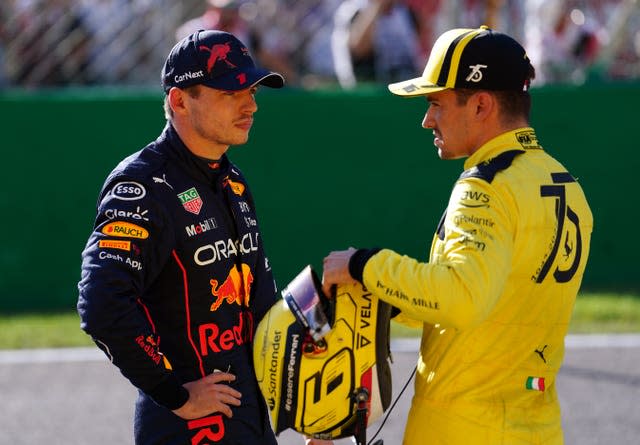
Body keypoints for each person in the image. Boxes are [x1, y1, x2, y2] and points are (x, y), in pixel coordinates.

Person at [322, 26, 593, 444]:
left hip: (462, 425)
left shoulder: (485, 185)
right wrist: (384, 295)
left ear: (481, 104)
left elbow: (463, 297)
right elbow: (489, 296)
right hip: (537, 425)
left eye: (435, 103)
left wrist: (365, 264)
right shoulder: (566, 184)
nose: (427, 119)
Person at [77, 29, 289, 445]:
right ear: (179, 101)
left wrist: (304, 410)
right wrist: (173, 394)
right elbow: (101, 303)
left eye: (252, 90)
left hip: (250, 420)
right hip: (190, 428)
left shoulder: (232, 181)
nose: (251, 104)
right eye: (231, 92)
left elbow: (262, 303)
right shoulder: (141, 185)